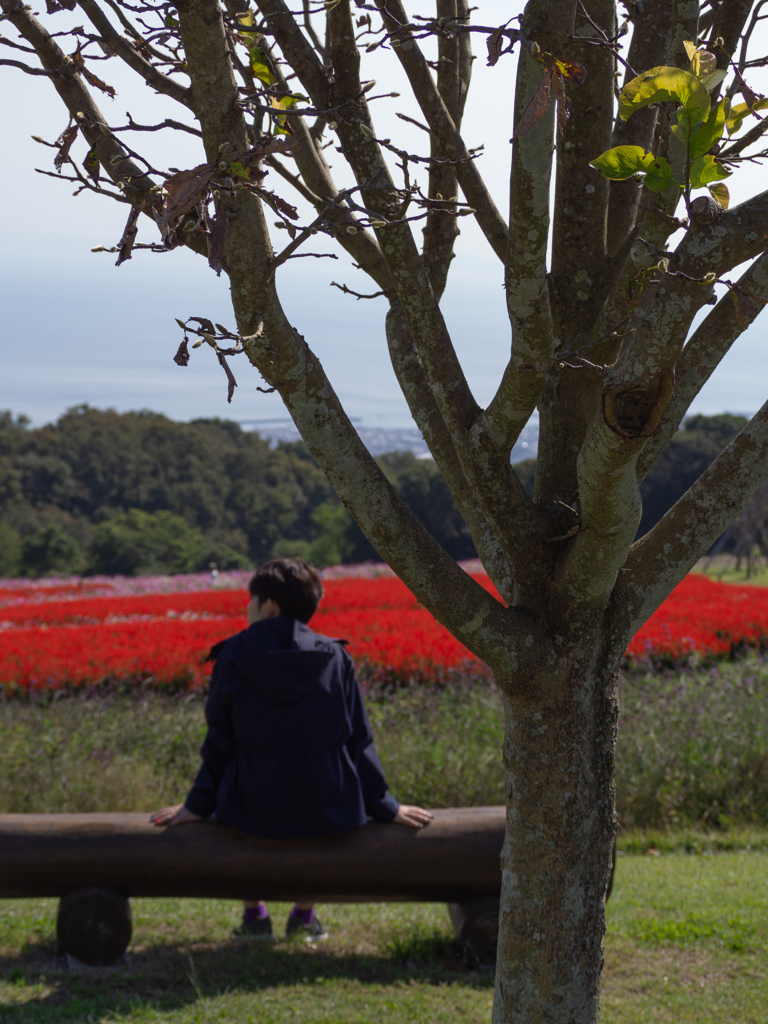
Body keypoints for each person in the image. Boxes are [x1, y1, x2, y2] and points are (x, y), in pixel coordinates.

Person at [151, 556, 431, 943]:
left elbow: (220, 741)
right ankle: (303, 915)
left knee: (241, 802)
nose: (246, 609)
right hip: (325, 803)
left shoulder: (232, 655)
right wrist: (385, 805)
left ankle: (254, 916)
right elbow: (358, 739)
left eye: (250, 601)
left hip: (252, 803)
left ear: (268, 606)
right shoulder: (336, 656)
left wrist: (197, 805)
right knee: (313, 801)